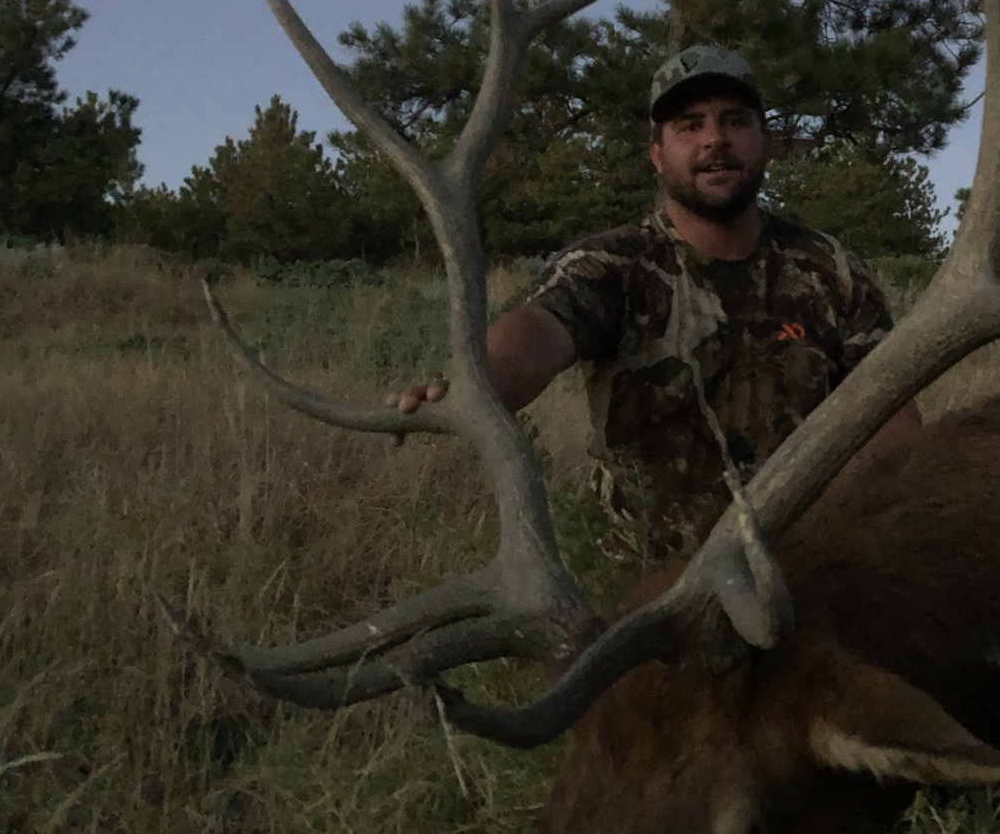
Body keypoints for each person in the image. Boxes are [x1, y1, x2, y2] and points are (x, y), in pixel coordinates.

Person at [395, 44, 923, 552]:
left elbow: (890, 413)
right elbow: (541, 328)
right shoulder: (613, 266)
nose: (715, 140)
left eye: (735, 121)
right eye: (689, 125)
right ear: (657, 155)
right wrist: (474, 383)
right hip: (650, 587)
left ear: (764, 141)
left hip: (806, 569)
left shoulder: (830, 268)